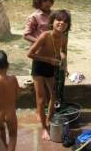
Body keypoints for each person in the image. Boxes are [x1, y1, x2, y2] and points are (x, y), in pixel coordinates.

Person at [27, 9, 71, 141]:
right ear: (52, 22)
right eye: (59, 20)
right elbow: (30, 54)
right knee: (41, 99)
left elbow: (63, 52)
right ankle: (44, 128)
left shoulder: (64, 38)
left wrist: (64, 64)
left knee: (54, 96)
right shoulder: (45, 35)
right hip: (39, 66)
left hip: (52, 67)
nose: (61, 23)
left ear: (68, 25)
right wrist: (49, 60)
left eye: (65, 21)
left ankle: (49, 120)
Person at [23, 0, 54, 121]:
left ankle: (49, 110)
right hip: (39, 56)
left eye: (49, 0)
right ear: (38, 2)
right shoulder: (35, 17)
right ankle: (39, 111)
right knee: (40, 90)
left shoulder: (55, 16)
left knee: (51, 89)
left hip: (52, 56)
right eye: (44, 1)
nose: (47, 3)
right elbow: (26, 34)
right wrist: (40, 42)